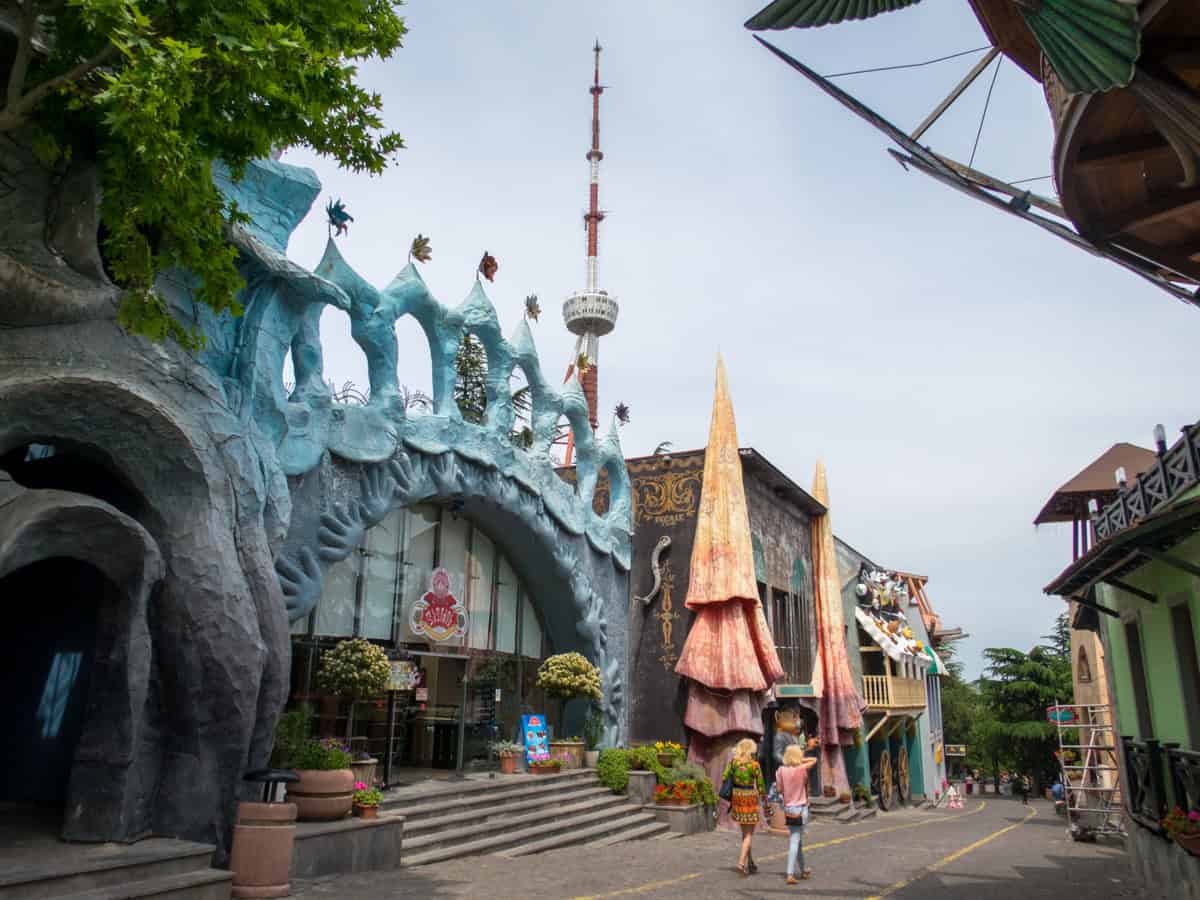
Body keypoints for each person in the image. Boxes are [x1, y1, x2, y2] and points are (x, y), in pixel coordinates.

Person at [722, 738, 767, 877]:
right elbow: (760, 785)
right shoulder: (754, 765)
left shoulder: (733, 763)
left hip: (737, 797)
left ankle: (751, 862)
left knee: (744, 833)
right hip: (750, 798)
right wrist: (766, 801)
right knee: (749, 834)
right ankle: (741, 863)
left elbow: (724, 777)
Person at [776, 743, 818, 884]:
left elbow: (780, 790)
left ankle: (804, 869)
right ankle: (789, 873)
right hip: (800, 808)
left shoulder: (780, 770)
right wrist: (801, 760)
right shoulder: (801, 769)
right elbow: (814, 760)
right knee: (795, 840)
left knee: (797, 840)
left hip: (788, 808)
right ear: (798, 756)